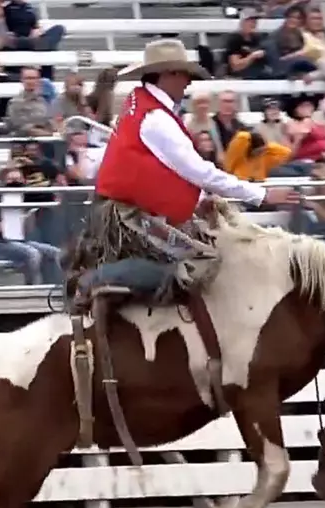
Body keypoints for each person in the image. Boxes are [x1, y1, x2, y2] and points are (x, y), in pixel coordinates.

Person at [70, 39, 297, 309]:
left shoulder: (141, 103)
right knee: (199, 264)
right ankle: (96, 279)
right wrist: (262, 195)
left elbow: (168, 168)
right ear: (169, 74)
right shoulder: (157, 119)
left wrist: (201, 200)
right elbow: (199, 171)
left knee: (201, 253)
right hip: (126, 216)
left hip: (123, 206)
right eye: (184, 74)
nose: (189, 82)